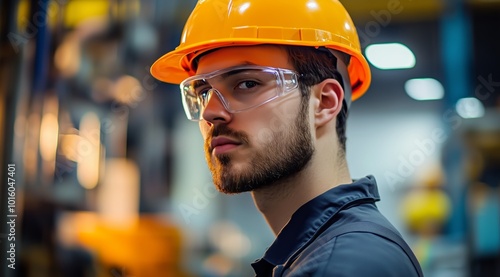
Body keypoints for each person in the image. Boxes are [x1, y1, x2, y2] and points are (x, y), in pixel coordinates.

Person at [151, 0, 424, 276]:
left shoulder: (343, 265)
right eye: (203, 91)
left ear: (325, 103)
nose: (210, 112)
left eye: (247, 83)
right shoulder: (321, 252)